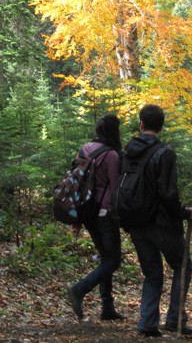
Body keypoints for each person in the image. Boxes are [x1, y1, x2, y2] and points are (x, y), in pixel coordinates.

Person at [121, 104, 192, 337]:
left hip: (135, 222)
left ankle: (147, 323)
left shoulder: (127, 152)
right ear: (161, 127)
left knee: (152, 273)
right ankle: (175, 319)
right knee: (183, 265)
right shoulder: (164, 153)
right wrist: (186, 213)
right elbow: (167, 194)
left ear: (141, 124)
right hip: (161, 224)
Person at [67, 114, 124, 321]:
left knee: (105, 258)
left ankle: (107, 308)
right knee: (113, 260)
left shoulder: (84, 149)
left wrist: (77, 219)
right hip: (105, 213)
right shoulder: (112, 155)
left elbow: (78, 183)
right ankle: (79, 289)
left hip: (87, 211)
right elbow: (116, 187)